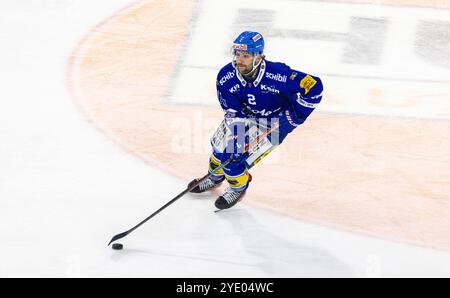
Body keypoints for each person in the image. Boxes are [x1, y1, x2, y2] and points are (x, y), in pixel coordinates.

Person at [188, 31, 323, 210]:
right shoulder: (226, 77)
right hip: (244, 118)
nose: (239, 60)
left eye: (246, 55)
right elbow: (232, 111)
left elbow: (315, 87)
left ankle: (238, 187)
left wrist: (292, 119)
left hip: (274, 124)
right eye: (237, 54)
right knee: (219, 151)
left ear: (258, 56)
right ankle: (214, 177)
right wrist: (238, 137)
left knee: (234, 161)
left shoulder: (278, 74)